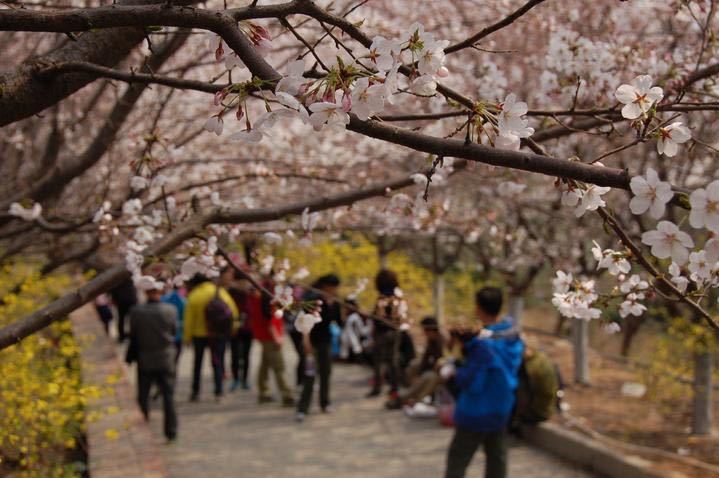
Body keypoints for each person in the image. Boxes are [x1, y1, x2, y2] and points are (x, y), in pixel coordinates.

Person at [444, 287, 524, 478]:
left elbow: (472, 382)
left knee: (458, 459)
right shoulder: (512, 334)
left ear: (479, 308)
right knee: (497, 458)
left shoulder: (482, 346)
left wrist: (454, 372)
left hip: (476, 412)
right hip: (502, 407)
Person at [125, 283, 178, 442]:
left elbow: (133, 337)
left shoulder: (136, 312)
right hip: (166, 358)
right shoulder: (170, 310)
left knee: (143, 396)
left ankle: (144, 429)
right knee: (168, 397)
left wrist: (129, 357)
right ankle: (171, 430)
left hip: (145, 358)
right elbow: (174, 332)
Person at [183, 273, 238, 402]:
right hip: (218, 333)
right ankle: (218, 392)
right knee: (217, 362)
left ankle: (195, 391)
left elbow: (188, 319)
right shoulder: (220, 292)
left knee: (198, 363)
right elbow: (233, 311)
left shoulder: (194, 295)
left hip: (199, 334)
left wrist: (187, 337)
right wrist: (233, 328)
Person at [296, 274, 342, 421]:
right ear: (325, 286)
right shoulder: (313, 299)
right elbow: (304, 320)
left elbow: (339, 322)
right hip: (312, 342)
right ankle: (303, 408)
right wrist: (306, 342)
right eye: (332, 287)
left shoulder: (334, 302)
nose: (334, 290)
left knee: (325, 373)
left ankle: (325, 403)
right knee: (309, 375)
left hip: (325, 342)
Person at [248, 278, 294, 406]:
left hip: (265, 336)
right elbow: (269, 321)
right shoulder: (266, 298)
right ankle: (287, 395)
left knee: (265, 365)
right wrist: (277, 337)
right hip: (270, 338)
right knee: (279, 366)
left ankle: (264, 392)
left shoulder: (262, 297)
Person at [367, 269, 409, 400]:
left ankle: (378, 387)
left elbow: (377, 317)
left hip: (382, 333)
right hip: (395, 332)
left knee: (378, 360)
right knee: (393, 361)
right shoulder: (398, 296)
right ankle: (394, 388)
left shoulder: (383, 298)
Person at [386, 316, 444, 409]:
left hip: (440, 372)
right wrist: (419, 373)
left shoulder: (442, 341)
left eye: (425, 331)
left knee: (428, 377)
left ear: (431, 330)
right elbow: (426, 358)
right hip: (432, 368)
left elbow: (440, 362)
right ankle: (410, 390)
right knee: (414, 365)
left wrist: (425, 372)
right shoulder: (431, 340)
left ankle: (408, 398)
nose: (423, 333)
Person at [223, 267, 253, 391]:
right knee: (235, 355)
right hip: (234, 328)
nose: (241, 284)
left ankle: (244, 379)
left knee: (246, 355)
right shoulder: (230, 292)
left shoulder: (250, 292)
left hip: (248, 327)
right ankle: (236, 379)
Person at [161, 285, 186, 364]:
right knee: (177, 353)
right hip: (179, 332)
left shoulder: (164, 299)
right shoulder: (184, 301)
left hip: (165, 332)